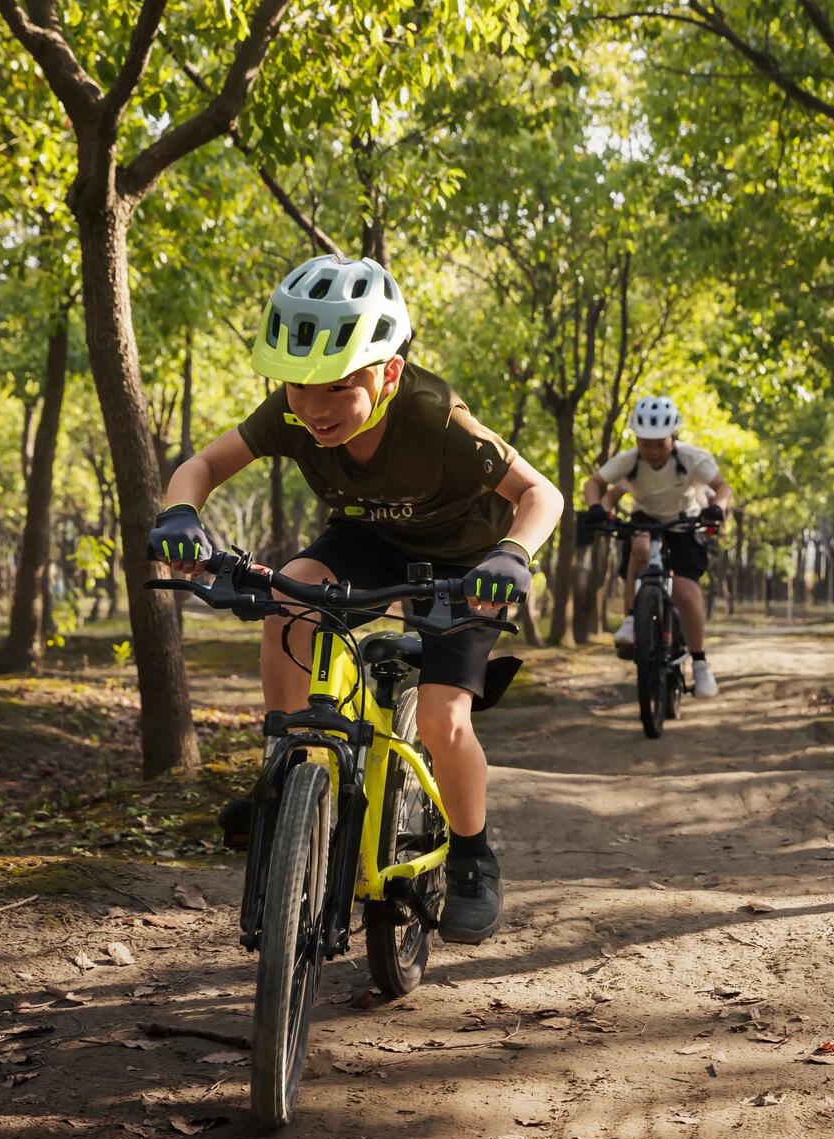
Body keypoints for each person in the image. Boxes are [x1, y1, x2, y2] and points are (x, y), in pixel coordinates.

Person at [147, 254, 562, 945]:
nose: (314, 408)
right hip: (367, 537)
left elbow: (540, 493)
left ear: (389, 372)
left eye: (339, 388)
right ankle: (283, 775)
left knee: (442, 719)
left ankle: (472, 856)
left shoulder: (436, 416)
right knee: (289, 597)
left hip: (465, 564)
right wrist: (179, 515)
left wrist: (512, 555)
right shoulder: (293, 411)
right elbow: (202, 465)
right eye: (299, 386)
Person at [578, 395, 732, 699]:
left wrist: (717, 508)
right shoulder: (629, 460)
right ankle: (633, 618)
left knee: (687, 593)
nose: (652, 451)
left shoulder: (692, 458)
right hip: (645, 519)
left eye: (659, 443)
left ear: (672, 437)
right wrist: (597, 507)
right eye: (645, 443)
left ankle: (700, 664)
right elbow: (594, 484)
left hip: (684, 524)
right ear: (637, 439)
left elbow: (723, 487)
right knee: (639, 543)